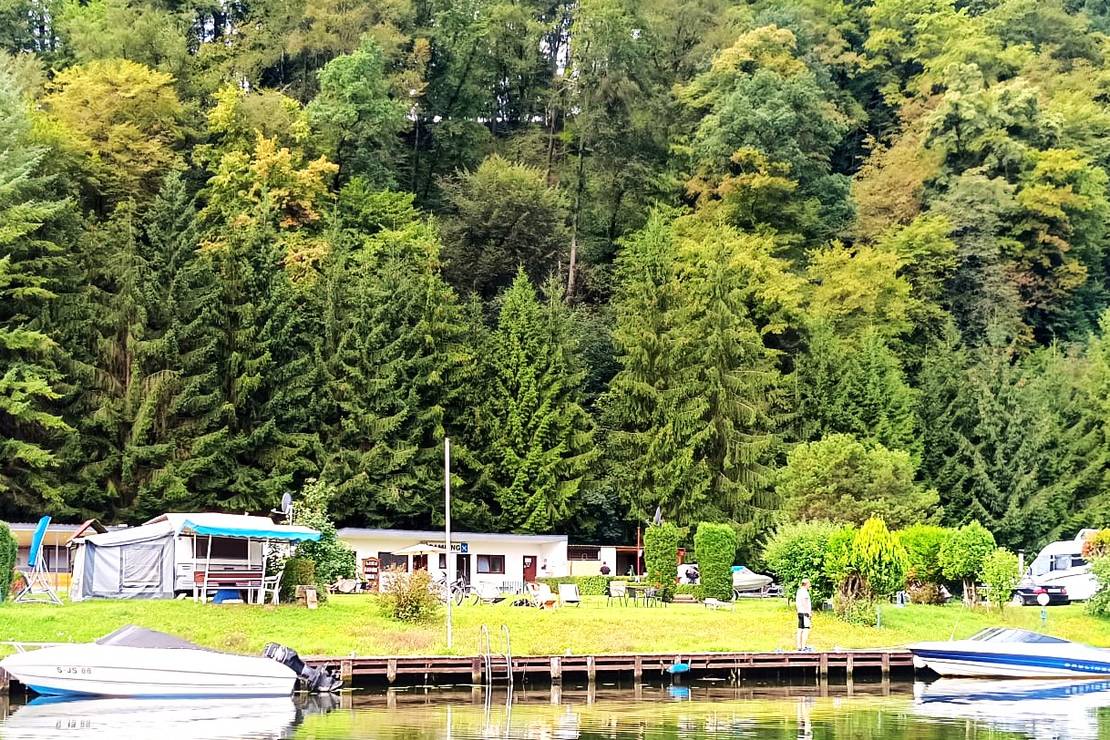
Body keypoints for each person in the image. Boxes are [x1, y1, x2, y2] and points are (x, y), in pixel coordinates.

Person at [796, 578, 813, 651]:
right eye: (809, 584)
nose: (810, 585)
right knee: (806, 630)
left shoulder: (799, 591)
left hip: (800, 612)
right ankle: (803, 646)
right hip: (805, 613)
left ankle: (799, 646)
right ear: (806, 584)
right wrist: (809, 613)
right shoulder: (805, 592)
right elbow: (805, 602)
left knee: (800, 629)